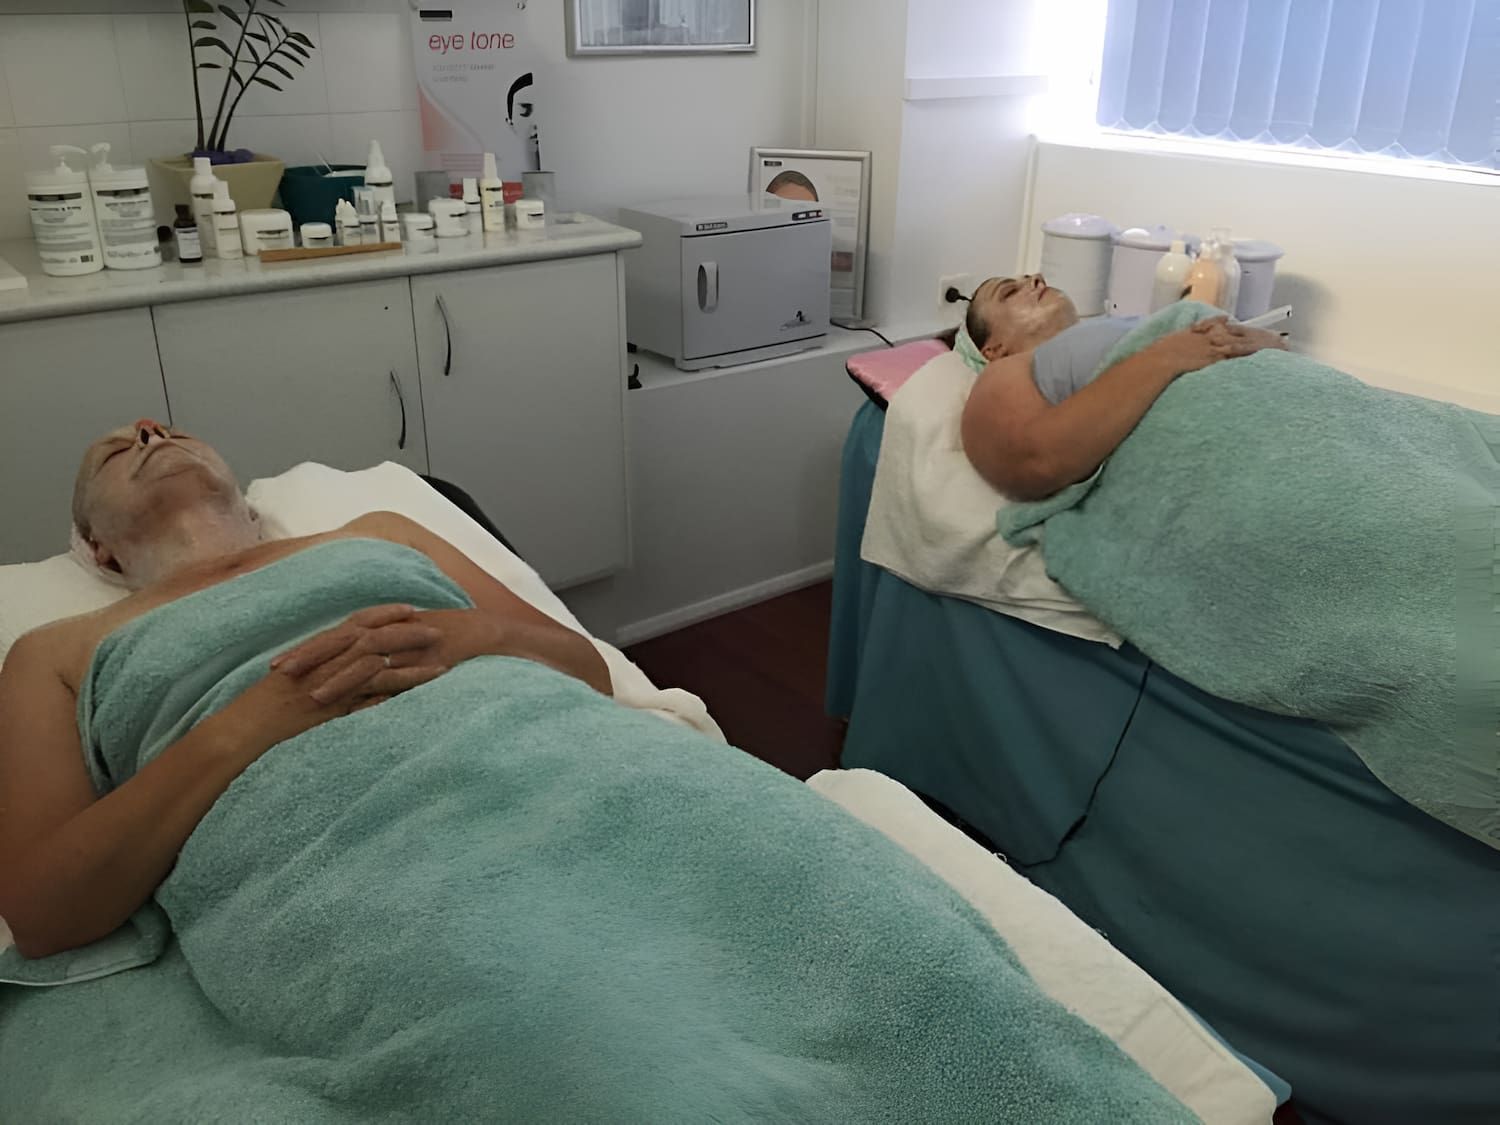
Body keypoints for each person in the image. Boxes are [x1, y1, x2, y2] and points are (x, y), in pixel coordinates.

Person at [0, 420, 610, 959]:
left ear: (247, 508)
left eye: (174, 434)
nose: (150, 431)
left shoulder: (380, 533)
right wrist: (251, 723)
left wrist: (469, 634)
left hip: (556, 770)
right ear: (99, 551)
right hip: (350, 882)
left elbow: (589, 671)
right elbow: (42, 915)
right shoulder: (56, 651)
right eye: (114, 452)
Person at [955, 275, 1286, 501]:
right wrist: (1167, 356)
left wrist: (1269, 345)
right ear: (993, 349)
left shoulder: (1120, 326)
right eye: (1010, 292)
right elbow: (1031, 461)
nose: (1037, 279)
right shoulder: (1006, 370)